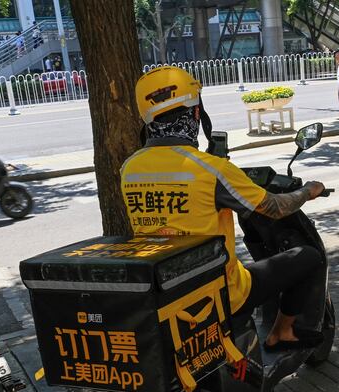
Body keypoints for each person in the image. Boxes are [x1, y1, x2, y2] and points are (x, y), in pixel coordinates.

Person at [122, 66, 327, 350]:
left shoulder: (129, 169)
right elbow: (275, 208)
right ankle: (282, 332)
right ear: (196, 114)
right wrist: (308, 191)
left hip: (167, 290)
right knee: (309, 257)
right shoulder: (212, 169)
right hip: (221, 292)